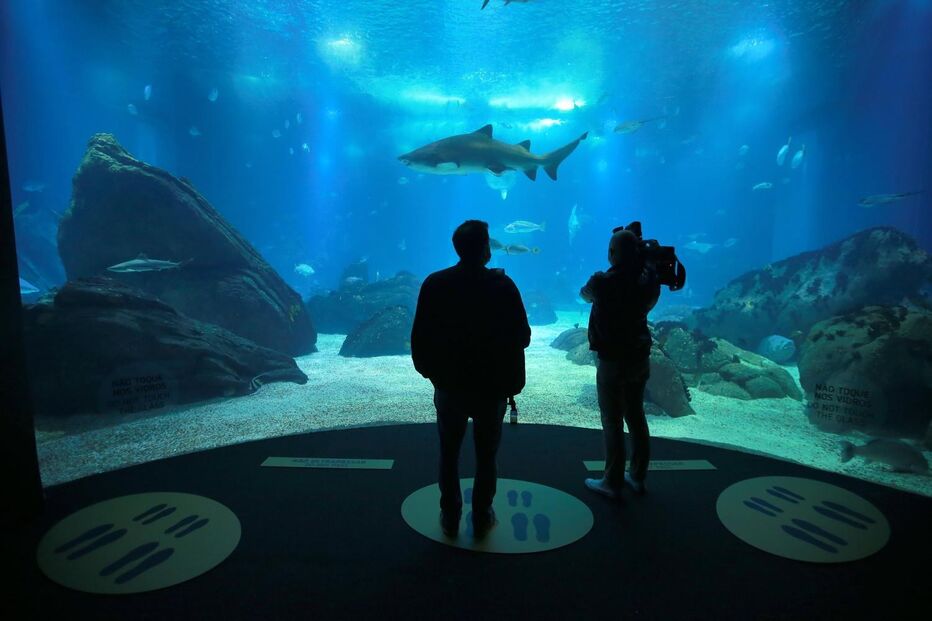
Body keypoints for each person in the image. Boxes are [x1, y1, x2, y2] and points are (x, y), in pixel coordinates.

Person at [411, 220, 531, 538]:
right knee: (486, 454)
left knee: (448, 452)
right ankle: (482, 512)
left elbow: (419, 337)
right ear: (486, 249)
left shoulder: (435, 284)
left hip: (449, 385)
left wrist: (432, 374)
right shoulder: (503, 286)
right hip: (491, 388)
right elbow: (524, 336)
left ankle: (449, 513)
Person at [580, 227, 660, 499]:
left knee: (612, 421)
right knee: (636, 416)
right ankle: (638, 476)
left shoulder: (603, 281)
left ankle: (612, 481)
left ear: (612, 253)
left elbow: (584, 294)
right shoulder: (648, 281)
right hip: (639, 357)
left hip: (613, 361)